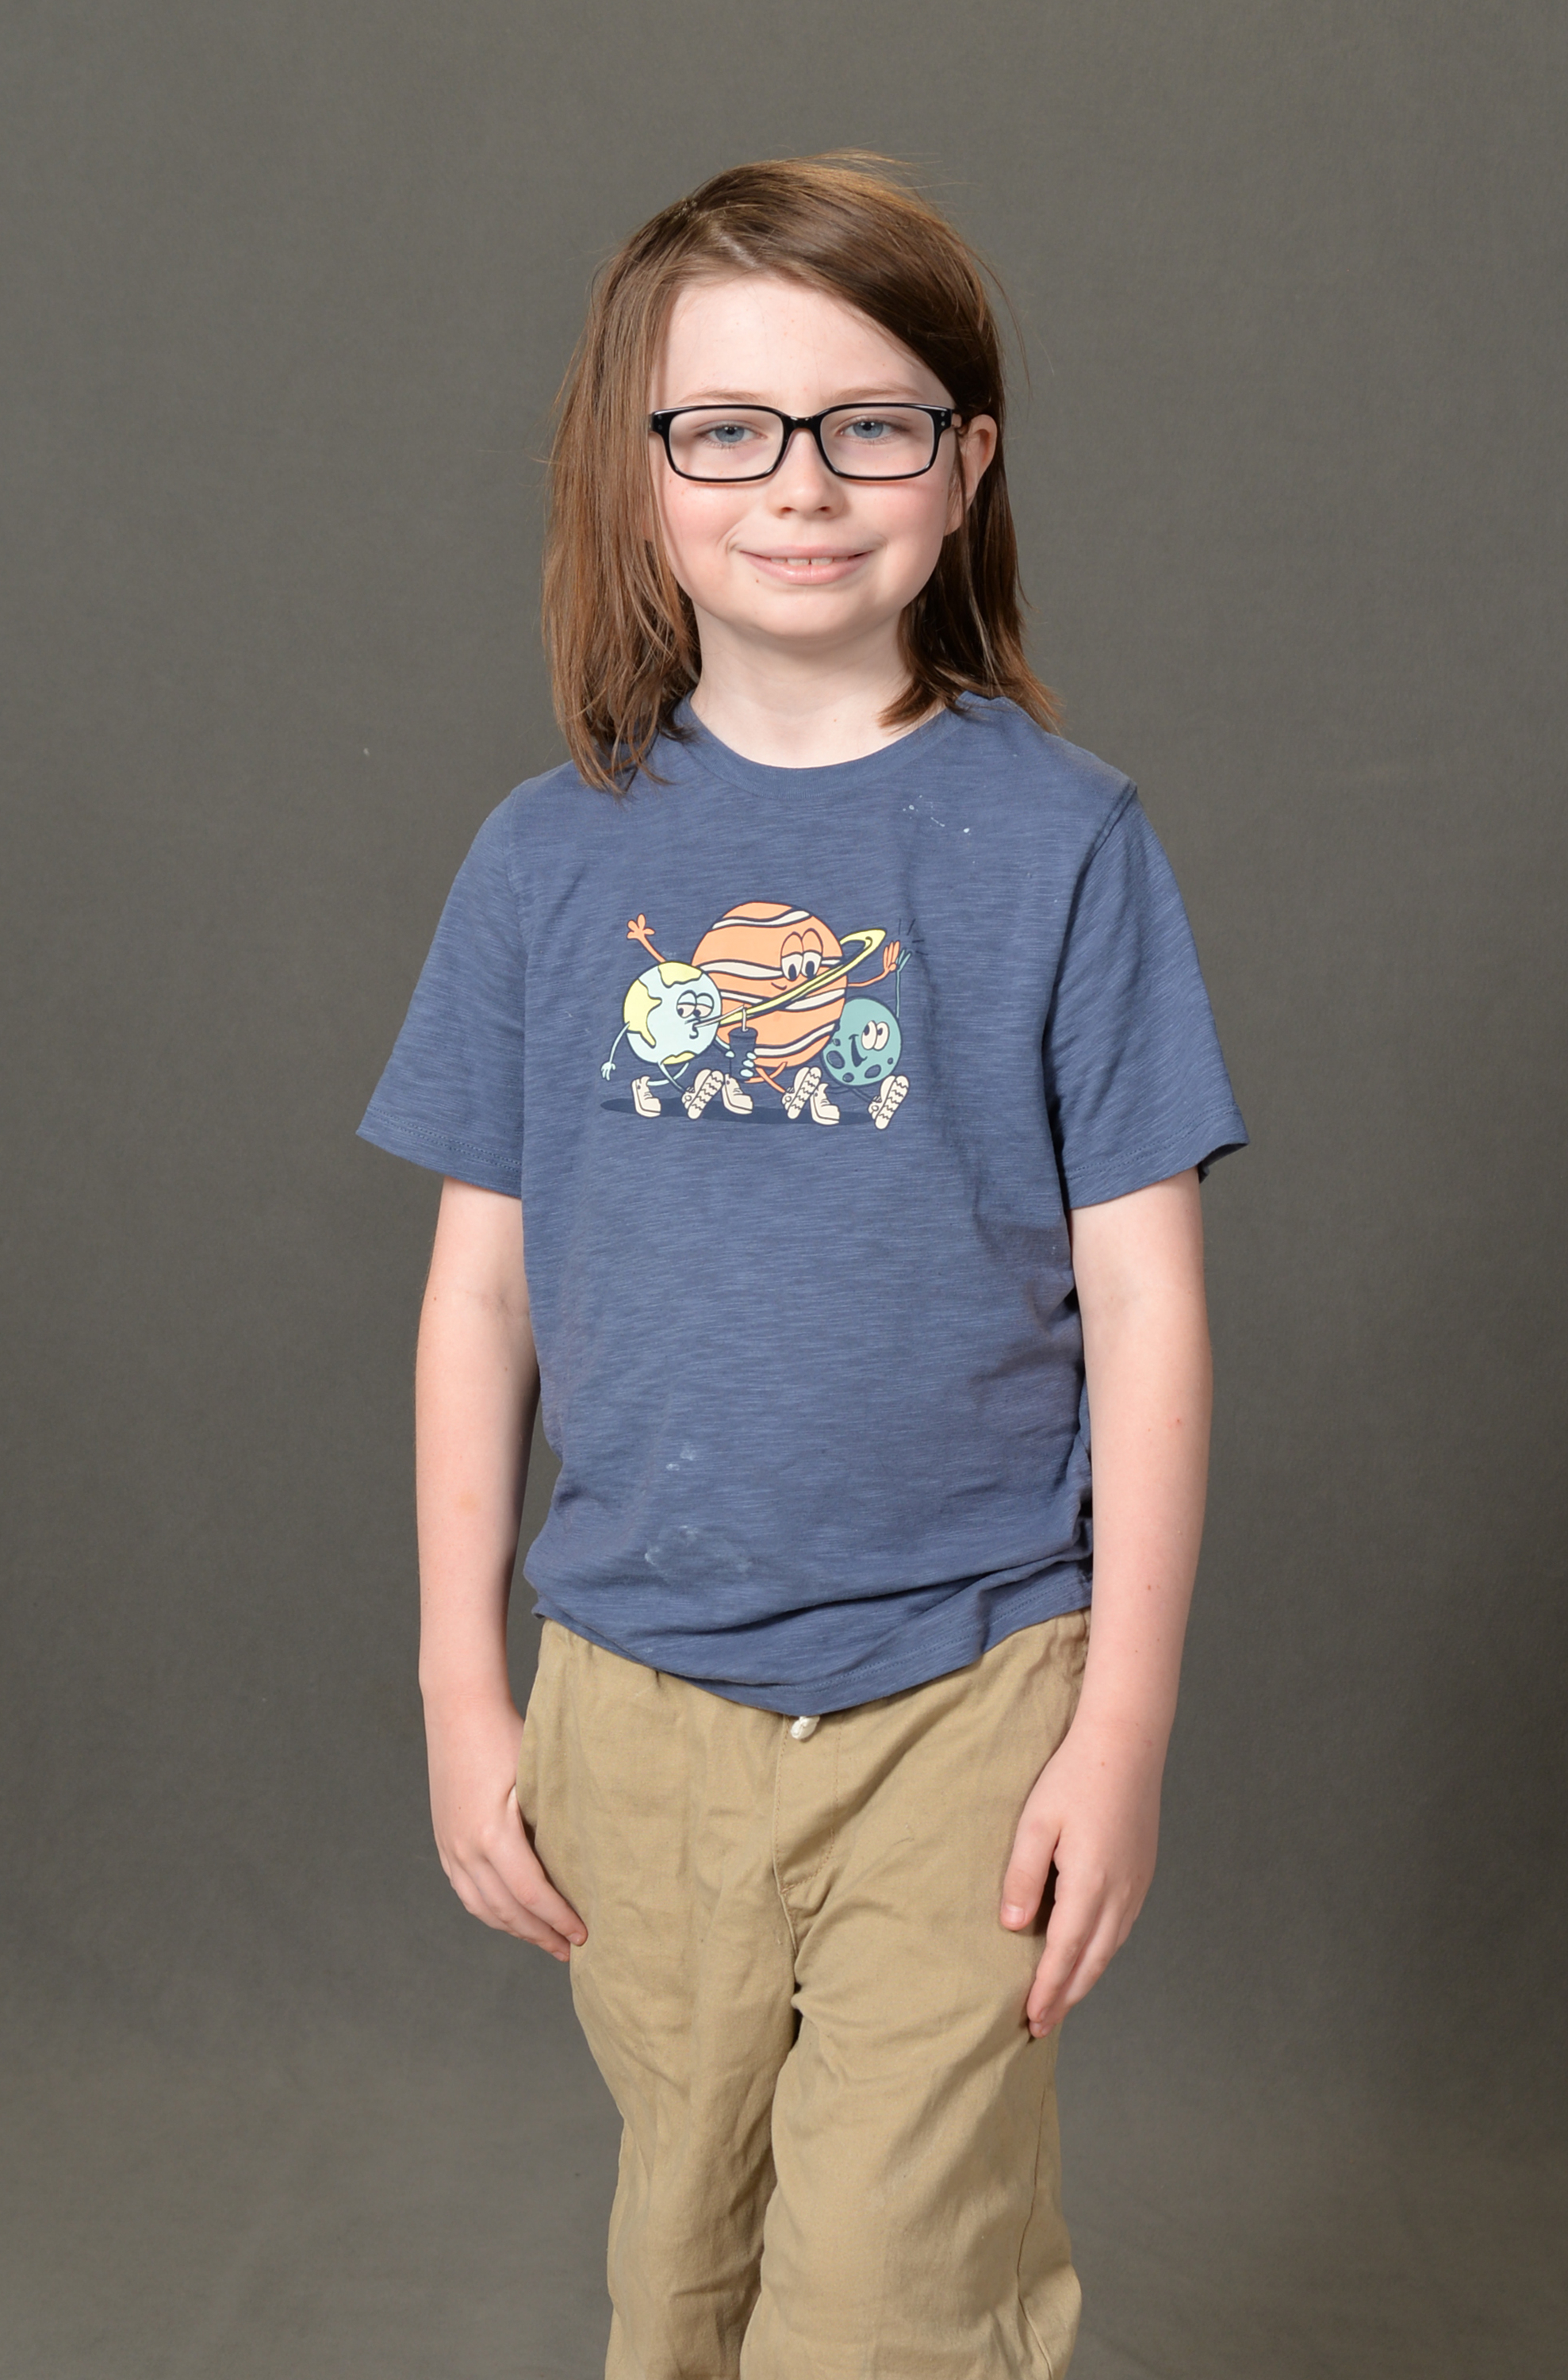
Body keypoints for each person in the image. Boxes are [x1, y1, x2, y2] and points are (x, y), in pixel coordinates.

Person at [359, 153, 1246, 2380]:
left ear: (968, 460)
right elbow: (481, 1299)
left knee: (889, 2304)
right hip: (635, 1707)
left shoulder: (1065, 844)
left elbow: (1148, 1309)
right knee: (683, 2274)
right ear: (636, 470)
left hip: (967, 1693)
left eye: (871, 422)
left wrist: (1123, 1722)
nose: (802, 483)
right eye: (729, 426)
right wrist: (464, 1689)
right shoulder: (547, 863)